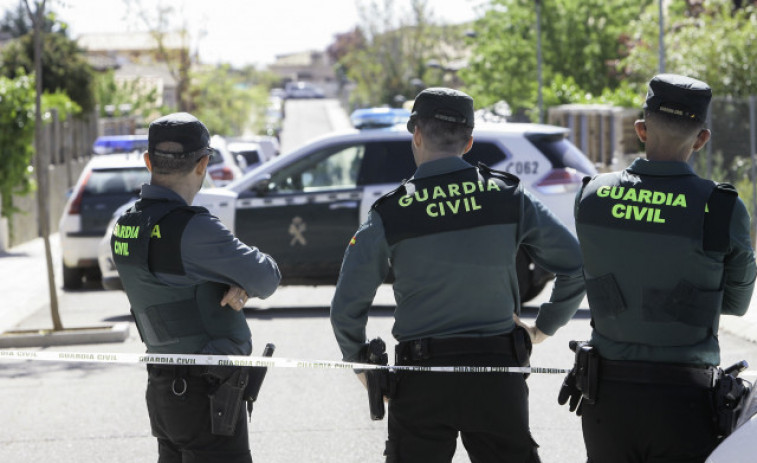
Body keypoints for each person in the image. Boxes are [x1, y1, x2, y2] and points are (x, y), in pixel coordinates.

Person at [330, 87, 586, 463]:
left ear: (416, 134)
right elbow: (577, 266)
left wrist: (365, 368)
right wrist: (541, 329)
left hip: (420, 381)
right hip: (497, 374)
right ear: (469, 142)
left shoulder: (390, 212)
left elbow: (345, 308)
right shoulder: (509, 197)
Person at [568, 74, 757, 462]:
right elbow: (736, 304)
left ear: (641, 130)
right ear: (702, 139)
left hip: (607, 400)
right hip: (686, 401)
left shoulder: (592, 195)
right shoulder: (721, 208)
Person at [111, 112, 281, 463]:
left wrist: (232, 279)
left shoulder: (125, 226)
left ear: (148, 162)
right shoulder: (193, 230)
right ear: (203, 164)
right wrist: (240, 282)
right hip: (208, 394)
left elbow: (171, 281)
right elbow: (266, 277)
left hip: (163, 392)